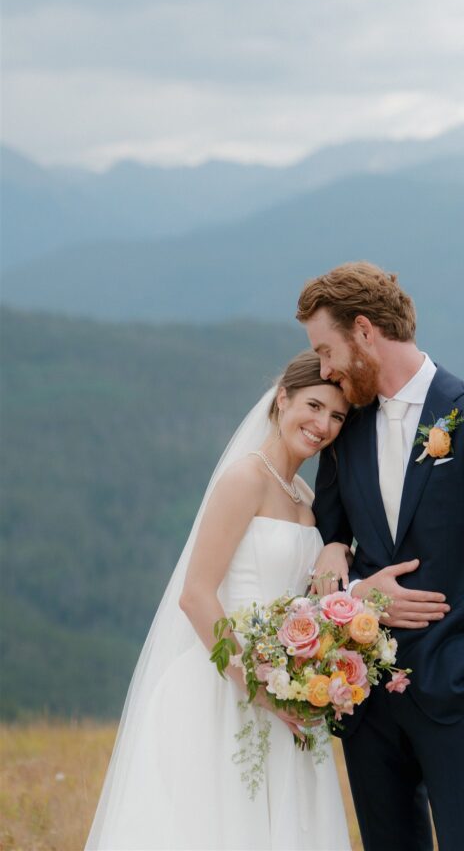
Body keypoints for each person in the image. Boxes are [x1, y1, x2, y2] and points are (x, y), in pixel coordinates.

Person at [298, 262, 464, 851]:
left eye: (326, 350)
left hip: (459, 690)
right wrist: (356, 592)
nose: (325, 369)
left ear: (364, 332)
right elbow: (327, 538)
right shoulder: (346, 428)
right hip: (365, 696)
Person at [86, 350, 352, 851]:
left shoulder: (304, 498)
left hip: (288, 694)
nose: (323, 425)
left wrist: (334, 549)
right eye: (314, 406)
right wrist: (258, 688)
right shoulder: (245, 479)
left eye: (336, 416)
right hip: (226, 691)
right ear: (282, 398)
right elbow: (195, 595)